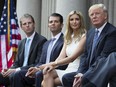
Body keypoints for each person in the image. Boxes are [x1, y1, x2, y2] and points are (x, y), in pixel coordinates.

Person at [62, 3, 116, 87]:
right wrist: (80, 73)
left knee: (84, 82)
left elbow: (103, 58)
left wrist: (85, 76)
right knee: (66, 78)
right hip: (88, 71)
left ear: (105, 16)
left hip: (100, 73)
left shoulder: (112, 32)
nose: (94, 16)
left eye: (97, 13)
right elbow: (85, 55)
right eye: (91, 14)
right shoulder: (90, 32)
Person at [11, 13, 67, 87]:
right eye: (51, 22)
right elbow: (41, 62)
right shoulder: (47, 43)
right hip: (41, 70)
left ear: (61, 25)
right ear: (48, 25)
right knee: (18, 75)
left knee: (38, 74)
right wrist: (35, 68)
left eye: (56, 21)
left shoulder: (64, 41)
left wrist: (41, 69)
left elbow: (63, 63)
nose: (53, 24)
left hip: (53, 71)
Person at [0, 13, 47, 86]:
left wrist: (16, 70)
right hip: (19, 72)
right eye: (24, 24)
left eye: (29, 23)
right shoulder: (21, 42)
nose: (27, 25)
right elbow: (17, 63)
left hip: (32, 73)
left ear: (34, 24)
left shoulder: (42, 40)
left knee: (16, 75)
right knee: (2, 76)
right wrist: (9, 70)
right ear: (21, 27)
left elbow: (37, 63)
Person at [42, 10, 86, 87]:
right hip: (68, 69)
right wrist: (51, 66)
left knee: (44, 83)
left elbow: (71, 58)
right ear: (68, 22)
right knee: (48, 72)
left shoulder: (84, 36)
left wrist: (52, 64)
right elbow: (61, 56)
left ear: (81, 21)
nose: (74, 22)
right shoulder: (68, 37)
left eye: (77, 19)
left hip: (78, 70)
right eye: (71, 19)